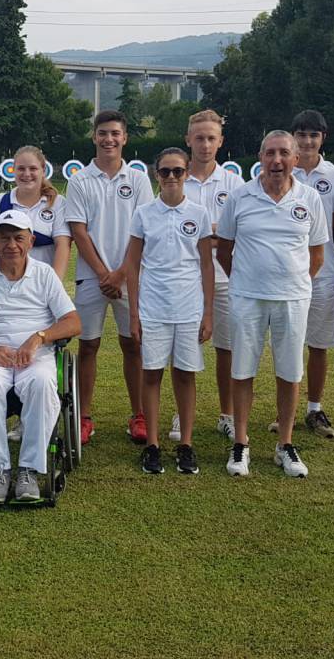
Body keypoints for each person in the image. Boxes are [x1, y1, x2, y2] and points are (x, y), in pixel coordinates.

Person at [217, 130, 329, 478]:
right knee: (243, 370)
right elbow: (224, 250)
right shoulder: (239, 197)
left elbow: (317, 255)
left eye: (284, 153)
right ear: (260, 157)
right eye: (269, 153)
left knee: (289, 372)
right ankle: (241, 442)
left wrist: (293, 283)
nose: (276, 160)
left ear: (296, 159)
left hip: (293, 299)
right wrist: (248, 280)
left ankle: (285, 444)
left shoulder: (309, 198)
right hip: (247, 298)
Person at [0, 210, 81, 502]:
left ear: (30, 241)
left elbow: (73, 322)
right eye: (4, 237)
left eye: (18, 237)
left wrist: (38, 338)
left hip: (35, 354)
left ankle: (28, 470)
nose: (11, 244)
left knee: (42, 383)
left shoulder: (44, 274)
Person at [65, 110, 154, 445]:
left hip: (129, 277)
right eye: (103, 133)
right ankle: (85, 417)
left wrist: (121, 274)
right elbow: (79, 231)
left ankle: (140, 415)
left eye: (115, 133)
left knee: (133, 344)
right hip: (93, 278)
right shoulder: (79, 180)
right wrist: (105, 274)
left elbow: (142, 232)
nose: (109, 139)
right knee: (88, 345)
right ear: (94, 136)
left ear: (125, 137)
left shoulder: (139, 178)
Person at [123, 148, 214, 475]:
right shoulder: (144, 213)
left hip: (189, 308)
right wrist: (133, 314)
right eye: (165, 172)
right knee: (152, 373)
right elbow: (132, 265)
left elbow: (206, 264)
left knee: (185, 374)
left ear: (187, 173)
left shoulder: (199, 213)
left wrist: (208, 313)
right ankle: (153, 446)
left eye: (177, 171)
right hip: (153, 307)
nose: (171, 177)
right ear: (156, 175)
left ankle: (186, 444)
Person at [266, 110, 334, 438]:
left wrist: (313, 262)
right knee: (285, 344)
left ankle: (314, 409)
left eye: (313, 135)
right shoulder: (278, 170)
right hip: (281, 275)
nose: (307, 140)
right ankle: (282, 412)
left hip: (322, 274)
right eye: (301, 134)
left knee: (318, 344)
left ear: (323, 138)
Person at [182, 108, 245, 443]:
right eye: (199, 138)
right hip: (186, 277)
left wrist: (205, 231)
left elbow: (240, 231)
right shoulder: (176, 178)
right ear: (188, 139)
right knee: (184, 346)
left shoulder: (235, 184)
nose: (205, 145)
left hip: (226, 275)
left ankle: (228, 414)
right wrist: (213, 232)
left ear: (220, 141)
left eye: (211, 138)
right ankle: (182, 412)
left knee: (227, 347)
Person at [0, 145, 71, 279]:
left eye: (33, 168)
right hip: (3, 283)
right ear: (13, 171)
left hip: (42, 283)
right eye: (21, 169)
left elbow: (63, 246)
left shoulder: (58, 203)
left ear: (43, 170)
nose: (27, 174)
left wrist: (55, 285)